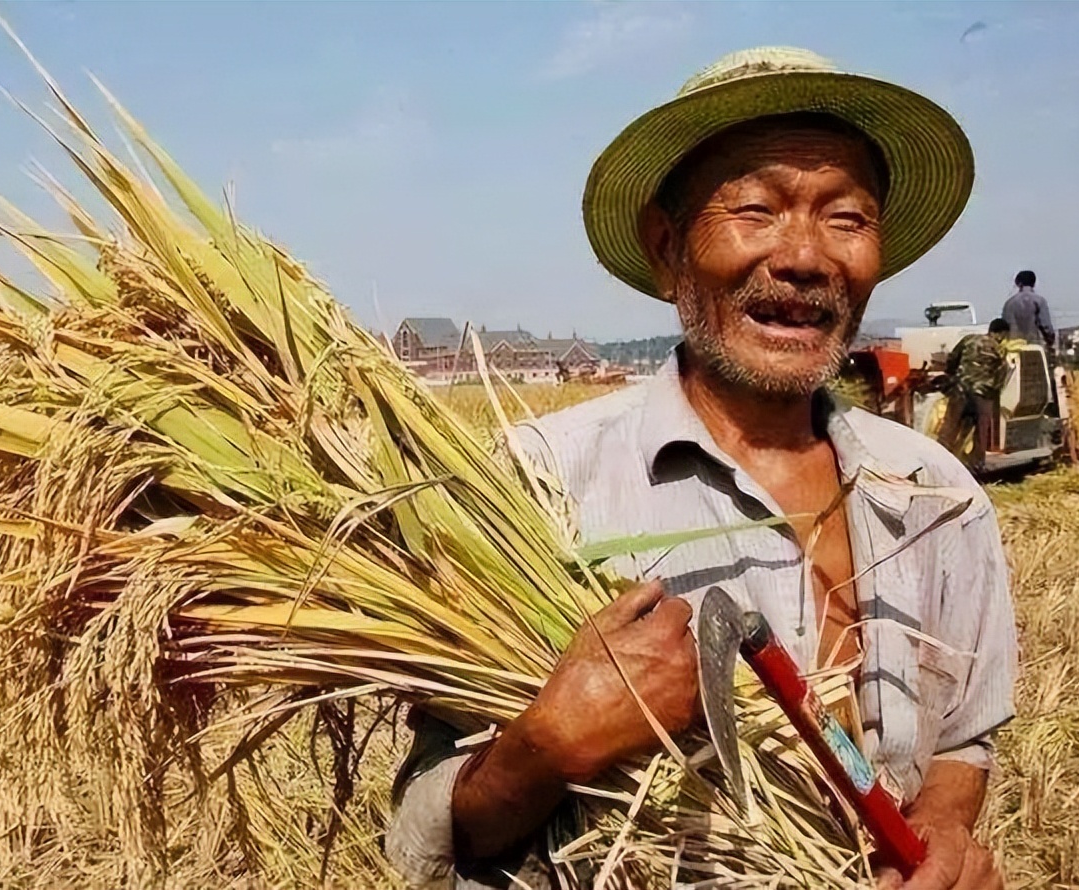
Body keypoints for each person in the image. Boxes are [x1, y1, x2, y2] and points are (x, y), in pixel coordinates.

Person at [386, 47, 1015, 890]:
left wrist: (938, 830)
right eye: (755, 210)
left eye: (846, 219)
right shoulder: (535, 486)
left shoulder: (941, 499)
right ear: (665, 244)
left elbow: (964, 739)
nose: (803, 257)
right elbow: (428, 826)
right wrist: (548, 743)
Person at [938, 319, 1012, 472]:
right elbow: (1002, 374)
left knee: (950, 426)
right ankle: (976, 465)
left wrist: (951, 375)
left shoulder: (969, 339)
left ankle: (939, 462)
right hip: (982, 395)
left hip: (960, 389)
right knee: (981, 430)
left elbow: (953, 358)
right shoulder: (999, 350)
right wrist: (993, 393)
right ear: (1001, 333)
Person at [1001, 270, 1055, 349]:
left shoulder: (1009, 303)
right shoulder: (1039, 301)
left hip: (1013, 348)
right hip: (1033, 347)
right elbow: (1046, 326)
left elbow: (1003, 329)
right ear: (1034, 283)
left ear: (1018, 283)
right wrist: (1050, 341)